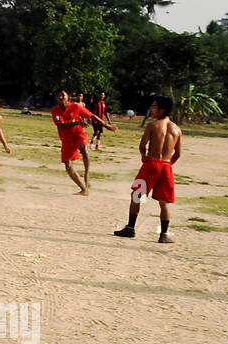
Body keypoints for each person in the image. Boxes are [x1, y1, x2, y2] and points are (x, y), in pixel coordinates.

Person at [113, 96, 181, 243]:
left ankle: (130, 228)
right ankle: (164, 234)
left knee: (137, 195)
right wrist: (168, 164)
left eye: (154, 106)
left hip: (152, 164)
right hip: (166, 166)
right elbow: (178, 154)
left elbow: (142, 145)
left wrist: (144, 156)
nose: (152, 108)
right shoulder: (177, 129)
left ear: (162, 109)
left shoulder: (153, 125)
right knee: (164, 201)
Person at [52, 89, 114, 194]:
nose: (61, 97)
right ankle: (83, 189)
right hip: (66, 139)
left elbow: (91, 115)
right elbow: (60, 125)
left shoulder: (76, 107)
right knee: (68, 165)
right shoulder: (55, 110)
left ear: (69, 96)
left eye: (63, 95)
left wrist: (105, 124)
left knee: (84, 149)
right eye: (59, 96)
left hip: (78, 134)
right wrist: (76, 123)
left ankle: (87, 174)